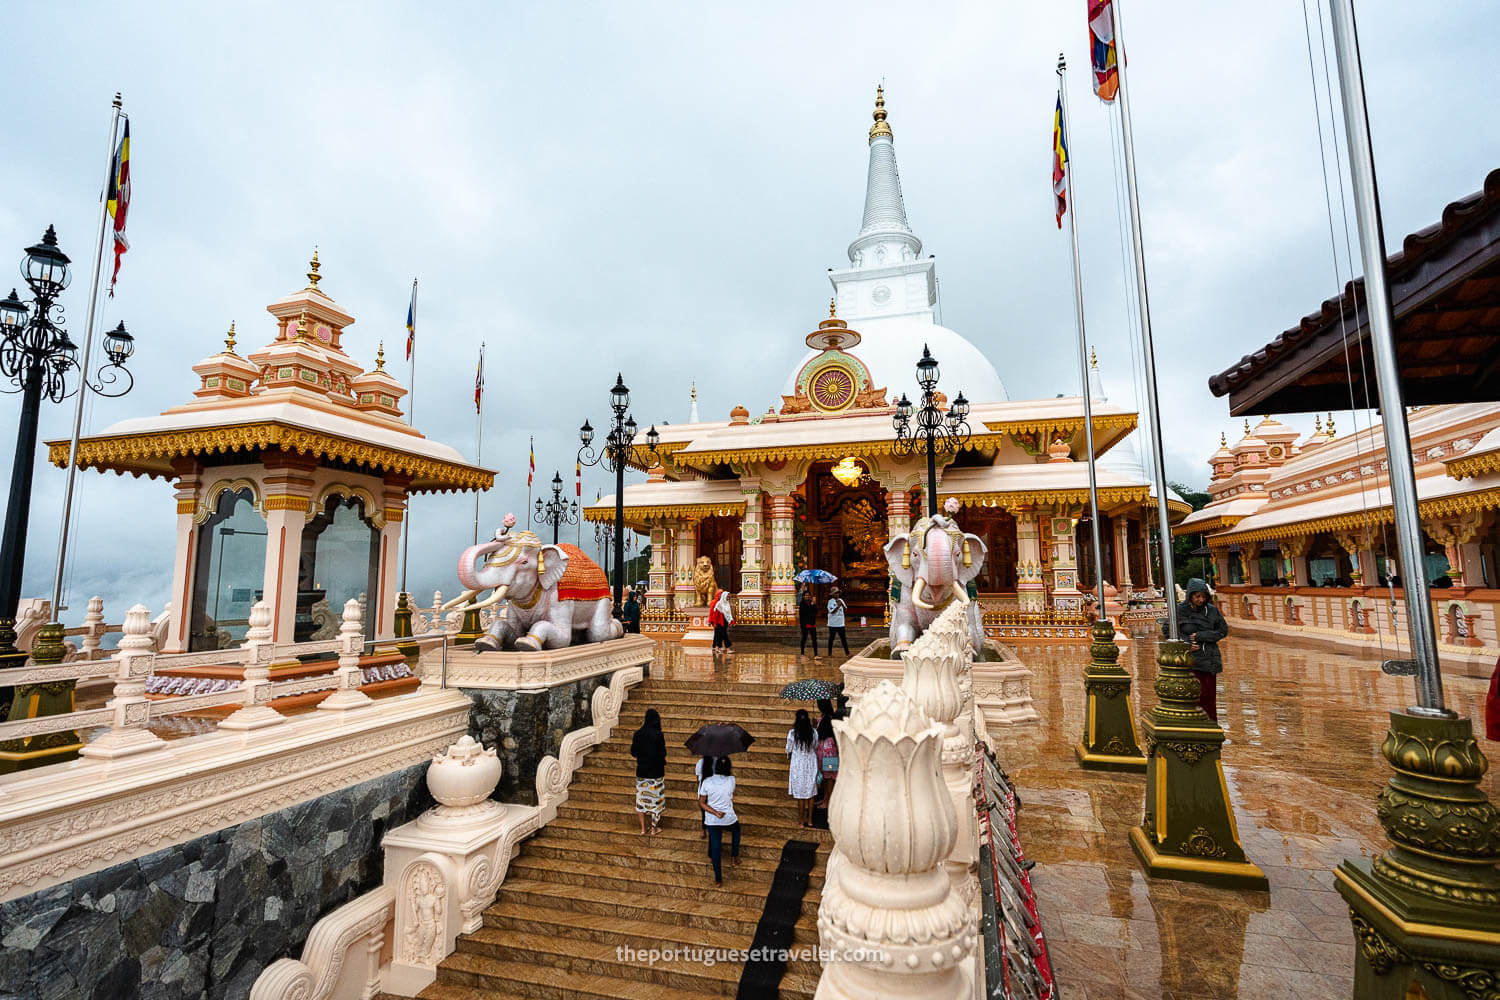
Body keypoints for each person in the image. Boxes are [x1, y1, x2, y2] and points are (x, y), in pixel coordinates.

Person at [1165, 578, 1229, 723]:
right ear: (1191, 596)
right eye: (1197, 596)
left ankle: (1210, 726)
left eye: (1203, 596)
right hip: (1189, 660)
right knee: (1192, 694)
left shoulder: (1212, 611)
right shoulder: (1180, 610)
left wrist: (1203, 636)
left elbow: (1223, 630)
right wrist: (1185, 643)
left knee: (1209, 696)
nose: (1200, 600)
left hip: (1209, 659)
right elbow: (1168, 630)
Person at [698, 756, 740, 885]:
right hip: (729, 817)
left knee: (715, 847)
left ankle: (718, 879)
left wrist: (715, 812)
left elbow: (701, 803)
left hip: (712, 820)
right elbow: (730, 795)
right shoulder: (732, 780)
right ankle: (734, 856)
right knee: (736, 831)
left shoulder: (706, 782)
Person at [629, 708, 667, 836]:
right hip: (656, 773)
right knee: (656, 800)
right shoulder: (658, 735)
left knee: (641, 801)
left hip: (642, 773)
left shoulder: (638, 734)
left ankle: (643, 829)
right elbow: (663, 753)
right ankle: (654, 828)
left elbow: (633, 752)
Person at [786, 708, 819, 828]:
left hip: (798, 764)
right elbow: (816, 746)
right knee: (811, 793)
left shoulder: (793, 733)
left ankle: (801, 821)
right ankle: (809, 820)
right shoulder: (814, 732)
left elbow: (788, 748)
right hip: (810, 763)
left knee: (800, 794)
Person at [814, 716, 838, 809]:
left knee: (829, 780)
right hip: (829, 759)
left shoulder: (827, 740)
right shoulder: (830, 739)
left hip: (829, 759)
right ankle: (826, 799)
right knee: (828, 779)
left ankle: (829, 803)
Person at [695, 754, 717, 838]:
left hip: (702, 791)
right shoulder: (716, 762)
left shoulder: (699, 763)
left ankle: (703, 830)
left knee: (704, 811)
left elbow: (697, 779)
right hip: (714, 791)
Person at [710, 587, 735, 653]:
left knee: (719, 635)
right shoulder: (719, 605)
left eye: (729, 597)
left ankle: (718, 647)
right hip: (719, 622)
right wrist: (714, 623)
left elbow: (728, 614)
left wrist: (731, 621)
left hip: (724, 622)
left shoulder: (726, 604)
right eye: (727, 597)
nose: (728, 598)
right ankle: (727, 648)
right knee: (724, 635)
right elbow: (715, 614)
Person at [826, 587, 849, 657]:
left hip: (841, 623)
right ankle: (829, 653)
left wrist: (841, 604)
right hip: (832, 624)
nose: (837, 594)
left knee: (843, 639)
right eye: (835, 593)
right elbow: (832, 611)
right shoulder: (830, 601)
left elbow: (846, 609)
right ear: (832, 594)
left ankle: (847, 653)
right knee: (831, 639)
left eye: (838, 593)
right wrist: (838, 606)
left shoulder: (841, 600)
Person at [798, 587, 820, 658]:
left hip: (812, 623)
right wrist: (812, 605)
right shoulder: (802, 604)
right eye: (806, 595)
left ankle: (816, 654)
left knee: (814, 639)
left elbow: (816, 611)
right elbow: (804, 612)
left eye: (808, 595)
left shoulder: (812, 602)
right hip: (805, 624)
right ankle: (802, 653)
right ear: (803, 596)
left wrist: (814, 604)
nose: (807, 596)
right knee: (804, 638)